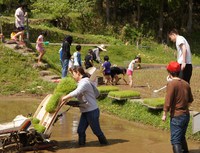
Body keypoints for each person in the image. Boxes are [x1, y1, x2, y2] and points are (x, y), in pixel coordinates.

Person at [61, 66, 108, 146]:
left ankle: (105, 145)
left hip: (92, 111)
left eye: (73, 74)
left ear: (78, 73)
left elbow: (77, 92)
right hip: (86, 111)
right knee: (80, 131)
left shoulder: (85, 82)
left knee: (96, 131)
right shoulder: (81, 82)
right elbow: (81, 98)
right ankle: (81, 147)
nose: (73, 76)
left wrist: (64, 98)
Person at [162, 61, 193, 153]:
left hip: (176, 116)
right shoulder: (186, 83)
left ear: (169, 72)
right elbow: (190, 100)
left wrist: (164, 113)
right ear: (179, 72)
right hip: (186, 115)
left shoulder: (171, 84)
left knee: (175, 140)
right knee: (181, 137)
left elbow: (168, 100)